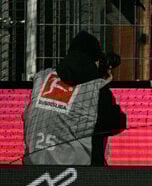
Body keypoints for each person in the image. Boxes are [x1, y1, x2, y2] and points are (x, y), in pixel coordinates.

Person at [23, 31, 126, 165]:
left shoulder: (42, 77)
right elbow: (117, 123)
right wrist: (103, 85)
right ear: (93, 61)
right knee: (97, 133)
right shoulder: (96, 88)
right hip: (75, 175)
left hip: (32, 170)